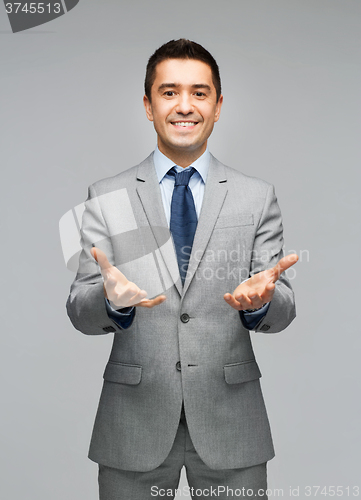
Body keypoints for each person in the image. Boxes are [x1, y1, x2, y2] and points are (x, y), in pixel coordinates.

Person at [66, 39, 298, 499]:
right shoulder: (106, 194)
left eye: (199, 92)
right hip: (133, 421)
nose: (184, 106)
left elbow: (284, 306)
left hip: (232, 421)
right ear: (149, 105)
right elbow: (79, 308)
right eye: (169, 92)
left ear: (217, 106)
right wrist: (110, 301)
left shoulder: (257, 196)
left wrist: (262, 303)